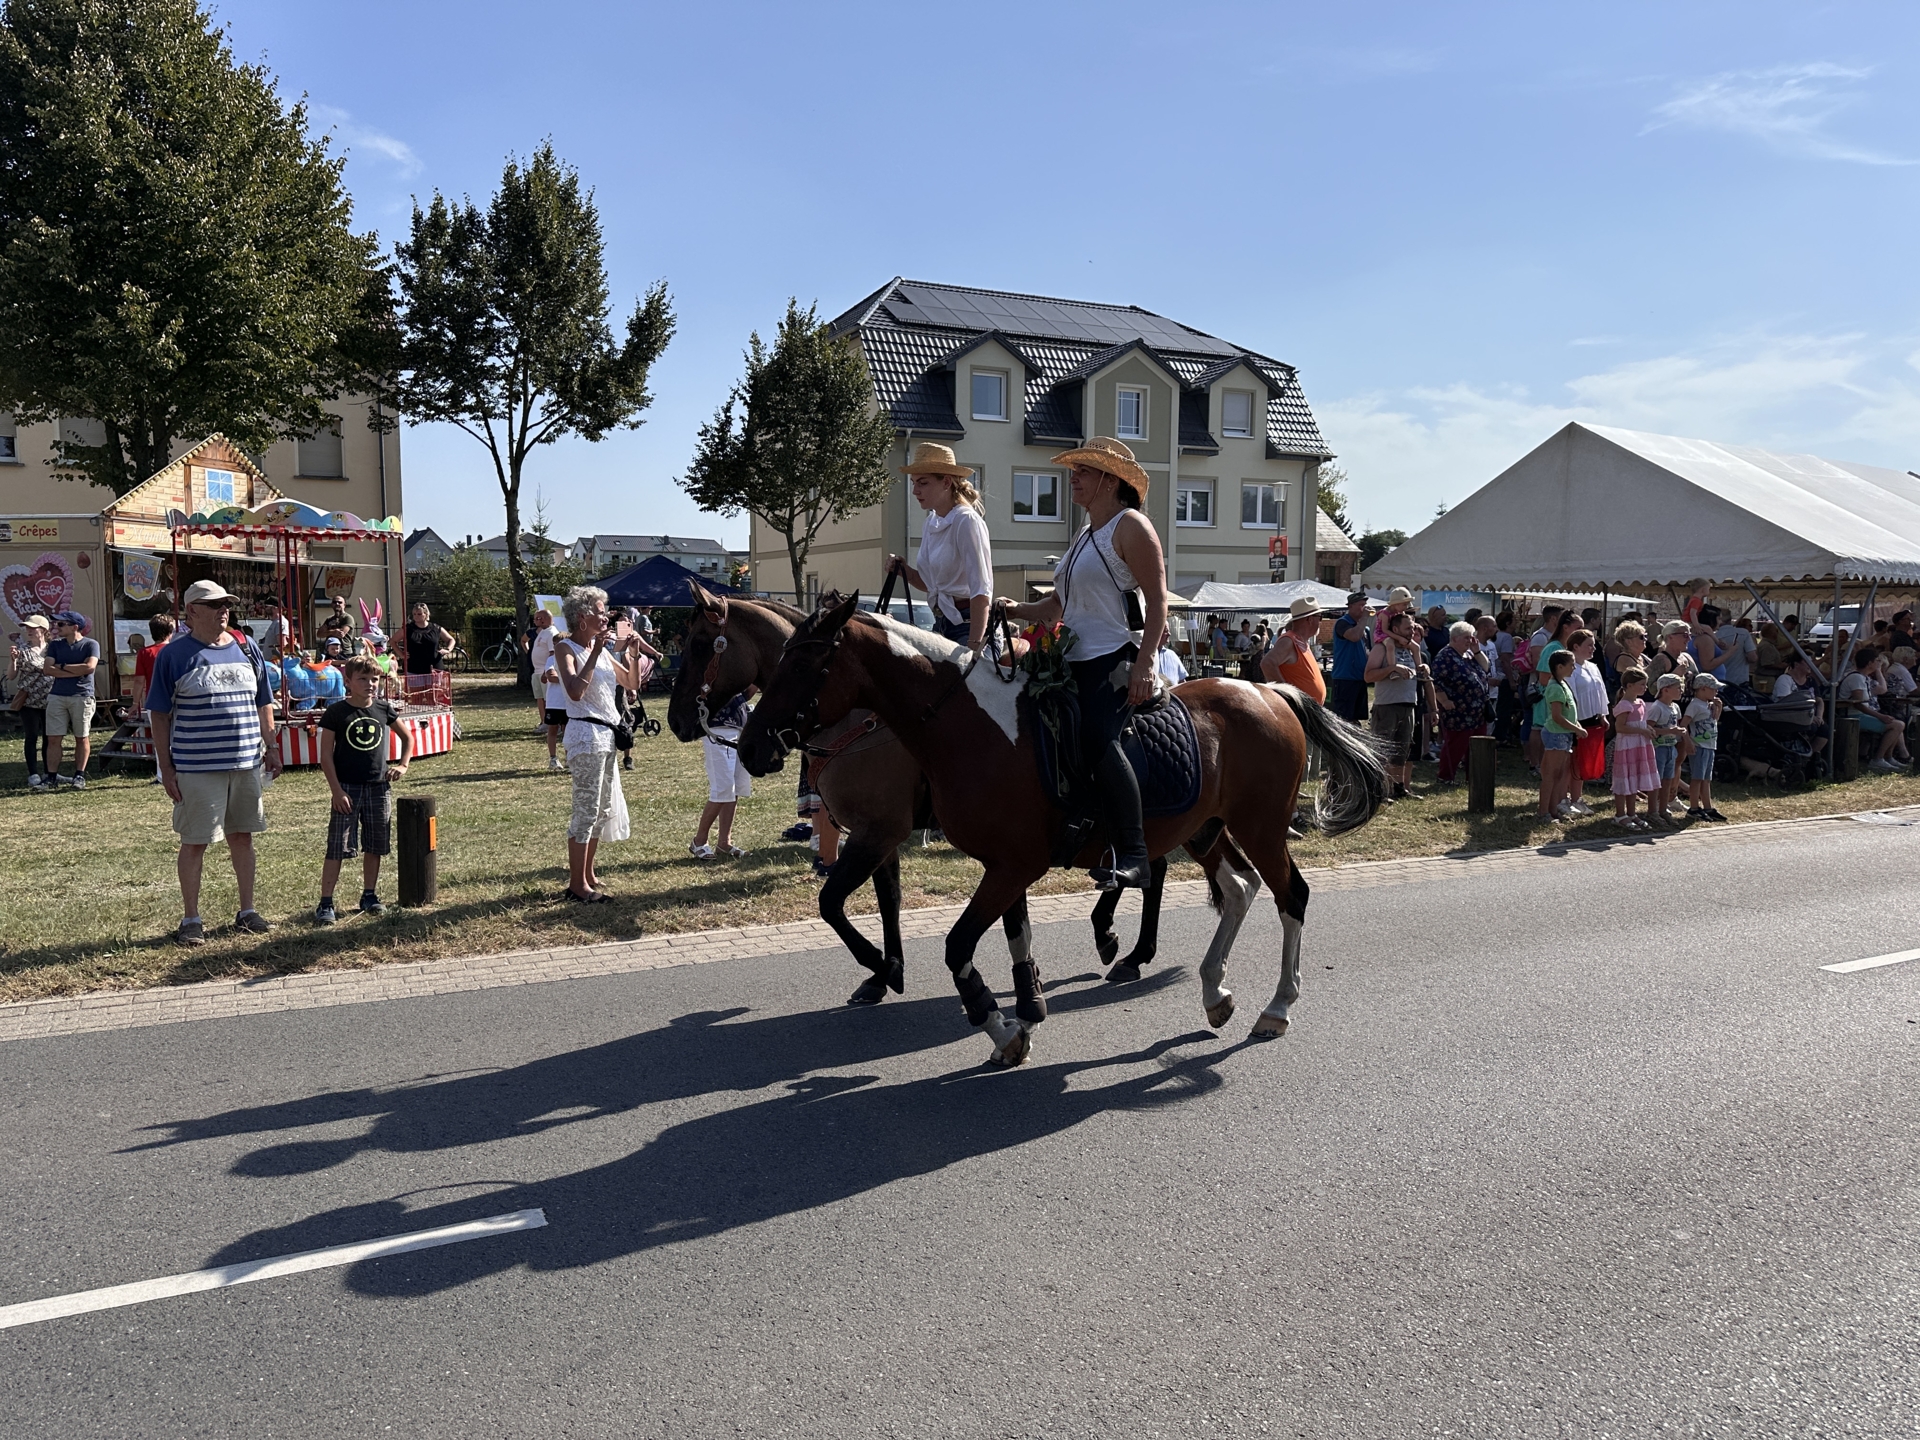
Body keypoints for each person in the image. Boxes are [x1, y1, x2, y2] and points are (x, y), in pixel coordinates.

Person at [998, 436, 1168, 890]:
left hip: (1111, 655)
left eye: (1083, 472)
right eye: (1074, 471)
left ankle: (1134, 852)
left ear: (1110, 481)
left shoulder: (1132, 526)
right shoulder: (1086, 534)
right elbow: (1059, 605)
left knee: (1097, 736)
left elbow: (1157, 602)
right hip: (1069, 654)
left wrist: (1145, 663)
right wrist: (1017, 611)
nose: (1072, 478)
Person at [146, 579, 282, 945]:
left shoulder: (246, 645)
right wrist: (167, 768)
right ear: (192, 611)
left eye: (226, 603)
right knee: (195, 842)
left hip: (245, 764)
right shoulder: (173, 656)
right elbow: (158, 715)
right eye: (215, 604)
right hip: (196, 768)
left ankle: (247, 911)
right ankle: (191, 919)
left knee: (243, 837)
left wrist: (271, 746)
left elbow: (263, 701)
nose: (224, 609)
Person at [554, 585, 642, 903]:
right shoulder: (566, 648)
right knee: (586, 810)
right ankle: (577, 885)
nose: (606, 616)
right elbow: (575, 691)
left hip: (606, 735)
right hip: (585, 736)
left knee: (602, 810)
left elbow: (631, 683)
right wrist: (594, 652)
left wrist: (631, 652)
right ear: (582, 618)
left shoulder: (601, 650)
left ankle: (587, 875)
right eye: (600, 611)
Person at [315, 656, 413, 923]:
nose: (370, 684)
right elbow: (325, 756)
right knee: (338, 845)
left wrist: (403, 765)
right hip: (346, 787)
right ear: (347, 681)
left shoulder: (383, 709)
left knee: (375, 844)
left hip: (378, 788)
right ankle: (326, 903)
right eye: (362, 679)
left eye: (374, 679)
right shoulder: (336, 712)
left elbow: (407, 737)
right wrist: (336, 791)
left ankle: (369, 895)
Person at [886, 442, 995, 651]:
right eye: (913, 483)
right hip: (942, 625)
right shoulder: (931, 522)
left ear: (946, 482)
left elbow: (981, 591)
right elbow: (933, 586)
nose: (915, 491)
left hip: (970, 628)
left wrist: (973, 648)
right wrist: (904, 570)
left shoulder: (966, 521)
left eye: (923, 483)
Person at [1365, 609, 1426, 800]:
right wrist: (1392, 668)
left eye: (1413, 627)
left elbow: (1420, 672)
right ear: (1395, 628)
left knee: (1402, 750)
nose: (1412, 631)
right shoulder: (1382, 648)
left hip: (1408, 703)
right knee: (1382, 750)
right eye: (1408, 628)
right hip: (1387, 705)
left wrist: (1423, 668)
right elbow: (1368, 675)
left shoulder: (1412, 648)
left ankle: (1398, 788)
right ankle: (1378, 790)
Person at [690, 688, 754, 859]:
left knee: (735, 789)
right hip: (716, 727)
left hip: (740, 726)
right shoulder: (708, 663)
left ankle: (724, 843)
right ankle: (699, 841)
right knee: (723, 789)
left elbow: (745, 694)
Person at [43, 611, 101, 788]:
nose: (56, 628)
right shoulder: (55, 645)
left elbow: (89, 667)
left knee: (81, 737)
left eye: (61, 625)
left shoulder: (91, 644)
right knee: (53, 738)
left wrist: (60, 666)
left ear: (75, 627)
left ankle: (79, 776)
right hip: (57, 695)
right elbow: (47, 669)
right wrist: (74, 669)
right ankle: (51, 777)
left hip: (82, 696)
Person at [1430, 620, 1490, 785]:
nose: (1469, 641)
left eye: (1471, 637)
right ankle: (1445, 777)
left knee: (1477, 745)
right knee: (1456, 745)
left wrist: (1477, 652)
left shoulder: (1470, 654)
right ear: (1455, 638)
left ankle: (1474, 777)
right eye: (1466, 638)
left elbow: (1486, 668)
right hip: (1458, 710)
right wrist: (1444, 700)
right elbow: (1435, 680)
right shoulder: (1445, 656)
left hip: (1477, 711)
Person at [1838, 651, 1910, 772]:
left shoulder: (1864, 678)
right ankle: (1878, 759)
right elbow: (1858, 704)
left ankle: (1888, 757)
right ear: (1869, 663)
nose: (1879, 663)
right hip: (1854, 716)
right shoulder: (1856, 678)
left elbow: (1881, 690)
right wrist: (1880, 716)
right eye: (1877, 660)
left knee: (1897, 723)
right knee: (1897, 725)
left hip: (1863, 714)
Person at [1536, 650, 1586, 822]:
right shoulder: (1555, 687)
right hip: (1556, 735)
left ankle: (1553, 810)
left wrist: (1576, 726)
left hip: (1564, 735)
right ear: (1559, 667)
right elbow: (1557, 716)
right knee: (1550, 775)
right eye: (1571, 665)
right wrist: (1577, 729)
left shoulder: (1563, 684)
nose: (1573, 668)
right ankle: (1544, 812)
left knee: (1559, 776)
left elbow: (1569, 712)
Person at [1609, 668, 1659, 830]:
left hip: (1639, 746)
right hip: (1627, 747)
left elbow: (1642, 723)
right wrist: (1641, 730)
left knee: (1634, 778)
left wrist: (1648, 730)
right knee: (1624, 779)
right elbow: (1620, 727)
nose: (1645, 687)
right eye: (1642, 684)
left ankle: (1631, 813)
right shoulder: (1624, 705)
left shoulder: (1641, 703)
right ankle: (1620, 814)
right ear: (1629, 685)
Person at [8, 613, 54, 788]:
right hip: (29, 701)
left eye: (32, 628)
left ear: (43, 630)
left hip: (51, 699)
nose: (28, 631)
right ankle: (33, 773)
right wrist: (13, 661)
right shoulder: (23, 651)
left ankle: (49, 771)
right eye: (26, 627)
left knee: (50, 738)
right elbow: (11, 676)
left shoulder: (53, 650)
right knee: (31, 736)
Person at [1566, 630, 1609, 808]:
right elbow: (1571, 696)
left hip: (1593, 719)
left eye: (1593, 645)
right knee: (1574, 761)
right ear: (1576, 646)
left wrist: (1603, 714)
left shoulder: (1593, 666)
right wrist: (1575, 723)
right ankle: (1568, 798)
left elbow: (1601, 692)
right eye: (1589, 645)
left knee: (1584, 760)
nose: (1593, 649)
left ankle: (1577, 797)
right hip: (1577, 720)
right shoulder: (1571, 668)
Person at [1260, 599, 1325, 701]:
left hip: (1305, 712)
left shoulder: (1300, 641)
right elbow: (1267, 663)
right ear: (1310, 619)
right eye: (1320, 617)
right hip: (1295, 712)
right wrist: (1288, 696)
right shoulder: (1289, 640)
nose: (1320, 622)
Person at [1646, 672, 1688, 824]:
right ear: (1665, 689)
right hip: (1659, 748)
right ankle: (1652, 810)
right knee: (1656, 781)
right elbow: (1649, 729)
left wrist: (1679, 732)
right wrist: (1670, 731)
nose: (1681, 691)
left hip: (1671, 747)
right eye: (1678, 688)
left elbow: (1675, 725)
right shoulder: (1657, 707)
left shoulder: (1675, 707)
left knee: (1667, 780)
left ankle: (1663, 809)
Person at [1683, 674, 1726, 819]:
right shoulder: (1695, 705)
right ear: (1702, 689)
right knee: (1697, 778)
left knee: (1706, 779)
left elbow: (1713, 722)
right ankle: (1694, 807)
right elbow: (1684, 724)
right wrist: (1688, 741)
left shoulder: (1707, 704)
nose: (1716, 692)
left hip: (1709, 745)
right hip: (1699, 746)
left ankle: (1708, 807)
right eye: (1713, 689)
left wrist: (1718, 708)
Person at [531, 608, 568, 771]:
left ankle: (569, 757)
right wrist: (568, 679)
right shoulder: (551, 659)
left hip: (567, 701)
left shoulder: (570, 659)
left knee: (567, 730)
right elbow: (551, 676)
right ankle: (553, 758)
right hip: (554, 702)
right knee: (552, 729)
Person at [1329, 593, 1372, 723]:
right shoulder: (1342, 623)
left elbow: (1367, 651)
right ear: (1351, 606)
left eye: (1365, 605)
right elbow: (1354, 636)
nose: (1364, 609)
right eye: (1361, 605)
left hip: (1360, 677)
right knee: (1344, 718)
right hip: (1345, 677)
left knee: (1356, 717)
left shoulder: (1365, 629)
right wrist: (1364, 618)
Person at [129, 615, 177, 713]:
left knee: (156, 728)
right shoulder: (177, 650)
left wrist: (135, 703)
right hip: (177, 698)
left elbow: (139, 681)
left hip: (154, 701)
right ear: (170, 632)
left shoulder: (144, 653)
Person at [403, 603, 455, 677]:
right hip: (414, 668)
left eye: (419, 614)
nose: (416, 616)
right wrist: (401, 653)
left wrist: (448, 649)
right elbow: (393, 641)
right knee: (417, 688)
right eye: (414, 614)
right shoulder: (408, 629)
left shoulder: (436, 628)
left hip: (434, 668)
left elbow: (451, 639)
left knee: (435, 688)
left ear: (426, 614)